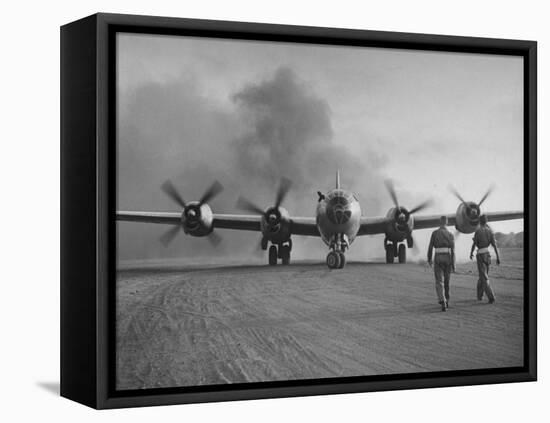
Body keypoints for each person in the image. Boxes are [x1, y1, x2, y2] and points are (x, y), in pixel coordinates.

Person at [427, 216, 455, 311]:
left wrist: (429, 259)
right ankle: (447, 300)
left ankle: (442, 301)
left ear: (440, 222)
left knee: (439, 281)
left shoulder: (435, 233)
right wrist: (453, 264)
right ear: (446, 223)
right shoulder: (450, 234)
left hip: (438, 257)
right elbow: (453, 251)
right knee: (447, 281)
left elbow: (430, 247)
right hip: (448, 257)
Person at [470, 215, 499, 304]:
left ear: (479, 221)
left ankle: (491, 297)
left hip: (481, 255)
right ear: (486, 221)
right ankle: (479, 295)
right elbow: (494, 245)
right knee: (482, 276)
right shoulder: (490, 231)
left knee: (484, 277)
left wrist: (471, 253)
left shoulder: (478, 231)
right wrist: (498, 257)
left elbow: (474, 244)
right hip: (488, 255)